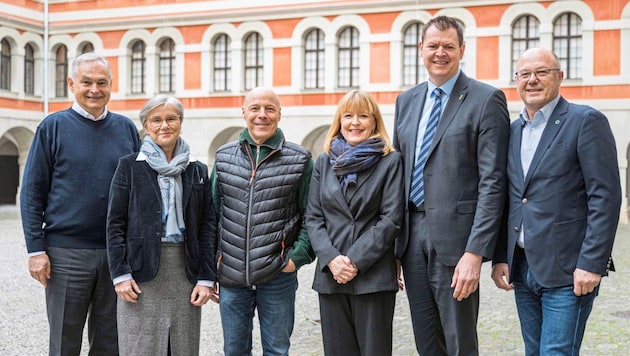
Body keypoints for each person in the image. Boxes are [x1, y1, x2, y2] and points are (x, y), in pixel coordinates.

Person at [491, 48, 622, 355]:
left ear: (560, 77)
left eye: (542, 72)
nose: (532, 80)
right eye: (524, 74)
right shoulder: (513, 130)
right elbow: (511, 199)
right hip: (523, 268)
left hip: (569, 270)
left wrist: (591, 263)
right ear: (516, 81)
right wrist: (501, 256)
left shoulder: (585, 121)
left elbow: (605, 197)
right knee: (533, 351)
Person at [392, 15, 510, 355]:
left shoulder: (486, 99)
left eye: (448, 46)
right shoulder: (407, 101)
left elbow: (493, 182)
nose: (439, 53)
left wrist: (475, 252)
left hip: (458, 243)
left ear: (461, 50)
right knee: (426, 341)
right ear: (421, 49)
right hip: (412, 235)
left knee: (459, 342)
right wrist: (394, 244)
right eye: (433, 46)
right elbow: (399, 172)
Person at [20, 52, 141, 355]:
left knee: (111, 342)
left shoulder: (126, 128)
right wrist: (36, 250)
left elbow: (140, 190)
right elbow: (32, 191)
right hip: (65, 254)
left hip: (116, 254)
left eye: (102, 82)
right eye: (86, 82)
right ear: (71, 84)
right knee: (64, 341)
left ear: (111, 85)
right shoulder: (53, 127)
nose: (94, 89)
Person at [106, 95, 218, 355]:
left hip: (185, 272)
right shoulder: (129, 167)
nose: (164, 125)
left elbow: (208, 226)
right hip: (140, 272)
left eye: (171, 118)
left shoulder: (197, 170)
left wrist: (206, 277)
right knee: (140, 347)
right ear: (146, 125)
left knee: (181, 348)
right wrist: (120, 275)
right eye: (156, 120)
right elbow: (114, 224)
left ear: (180, 122)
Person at [211, 86, 315, 356]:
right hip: (232, 276)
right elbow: (211, 215)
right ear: (244, 112)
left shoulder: (300, 159)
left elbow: (312, 216)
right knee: (234, 351)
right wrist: (212, 265)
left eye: (269, 109)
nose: (262, 115)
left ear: (280, 114)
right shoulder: (223, 157)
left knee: (277, 350)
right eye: (255, 108)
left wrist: (296, 258)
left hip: (277, 275)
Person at [305, 90, 404, 355]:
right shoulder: (324, 162)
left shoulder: (390, 161)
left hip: (373, 276)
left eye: (363, 116)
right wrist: (332, 259)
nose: (355, 123)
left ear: (374, 122)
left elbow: (391, 219)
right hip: (331, 276)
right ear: (339, 121)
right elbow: (313, 218)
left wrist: (353, 261)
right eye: (348, 116)